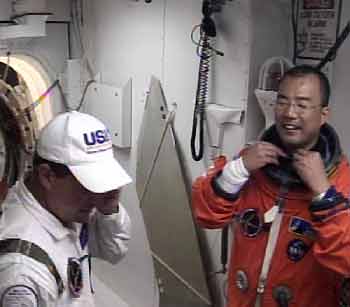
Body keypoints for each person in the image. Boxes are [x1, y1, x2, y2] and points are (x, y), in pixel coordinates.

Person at [192, 65, 350, 307]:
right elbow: (207, 216)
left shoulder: (341, 181)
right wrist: (237, 170)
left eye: (302, 105)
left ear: (323, 114)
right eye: (282, 101)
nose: (289, 113)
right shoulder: (252, 163)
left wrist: (324, 194)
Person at [0, 110, 132, 306]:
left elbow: (113, 251)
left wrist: (109, 209)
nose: (95, 198)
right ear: (47, 176)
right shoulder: (22, 271)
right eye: (86, 185)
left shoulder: (61, 206)